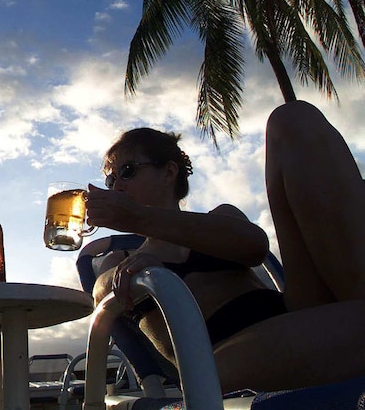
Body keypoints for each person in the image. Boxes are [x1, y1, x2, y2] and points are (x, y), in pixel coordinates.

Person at [87, 102, 365, 392]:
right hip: (217, 361)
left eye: (127, 171)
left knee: (293, 119)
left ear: (169, 173)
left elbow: (255, 246)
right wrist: (139, 276)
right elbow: (103, 295)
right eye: (111, 178)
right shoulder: (121, 258)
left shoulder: (221, 218)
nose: (116, 184)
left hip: (296, 311)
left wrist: (139, 218)